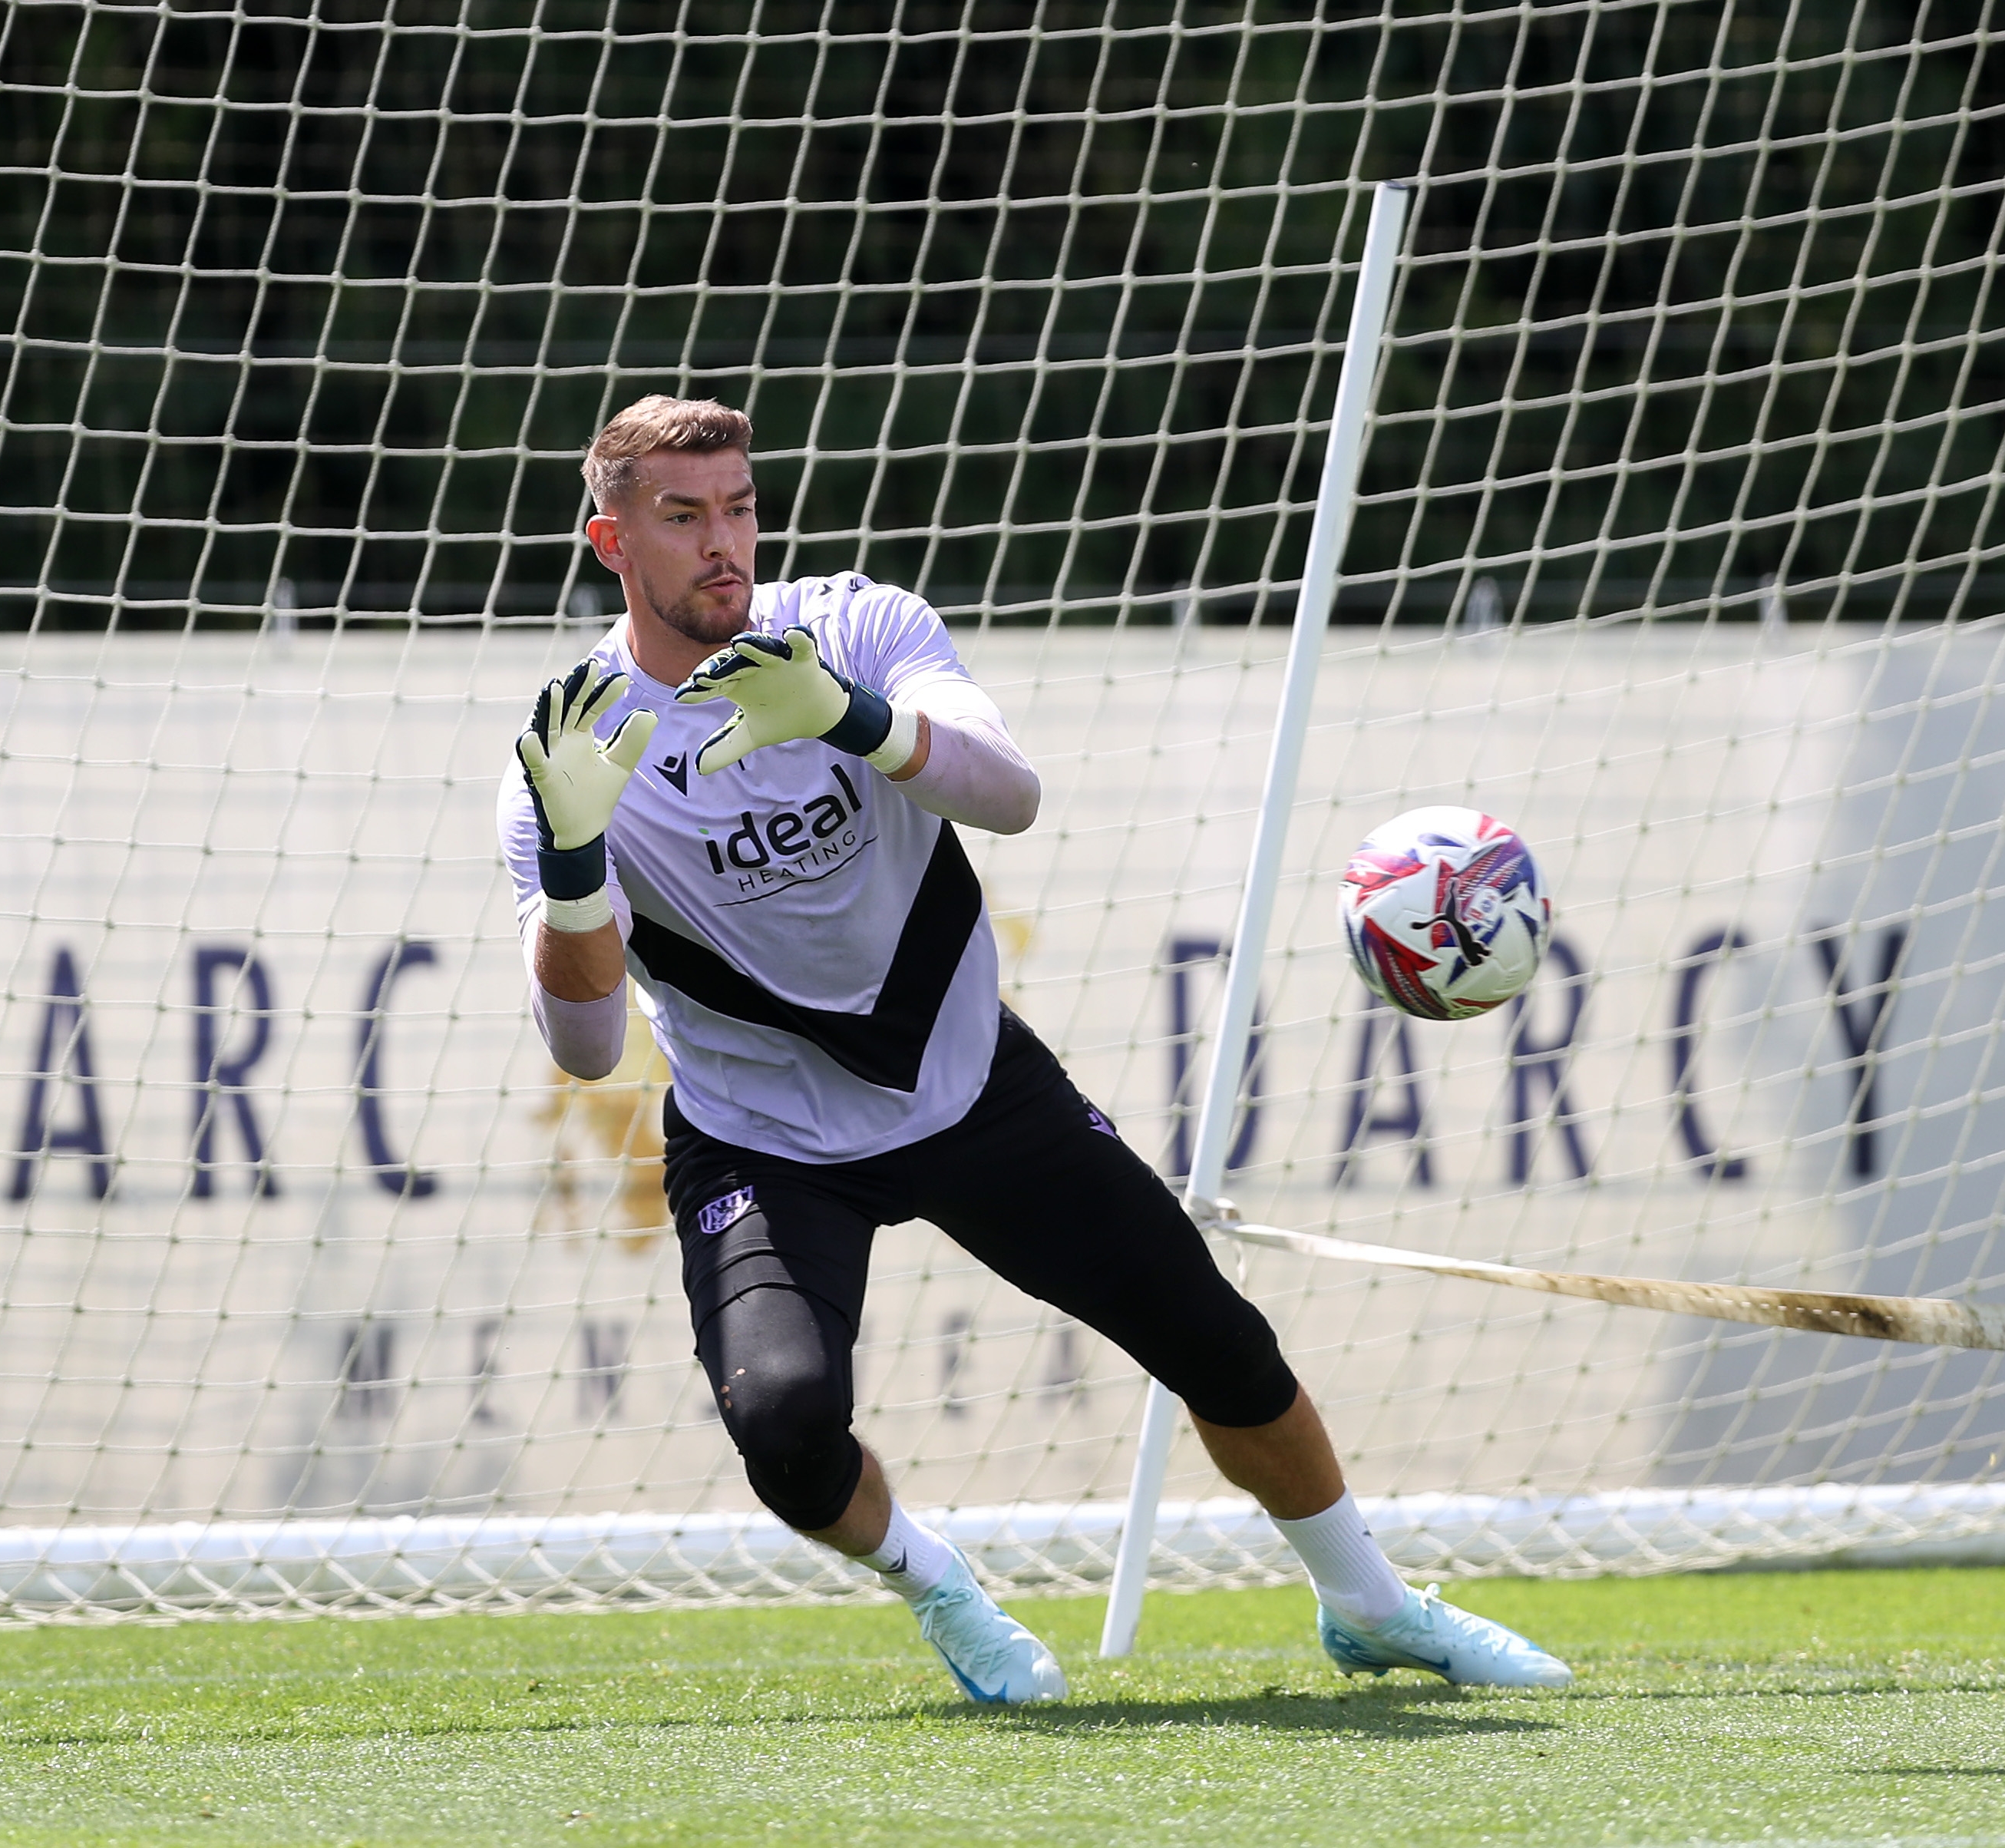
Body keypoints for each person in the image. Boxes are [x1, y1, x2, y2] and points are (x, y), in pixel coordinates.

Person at [498, 395, 1571, 1704]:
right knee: (781, 1430)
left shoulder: (855, 630)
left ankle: (1372, 1605)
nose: (724, 545)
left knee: (1218, 1347)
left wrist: (852, 721)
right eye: (681, 518)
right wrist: (568, 869)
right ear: (609, 539)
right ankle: (941, 1589)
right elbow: (586, 1043)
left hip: (972, 1087)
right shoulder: (571, 753)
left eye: (739, 508)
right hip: (766, 1140)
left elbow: (1010, 794)